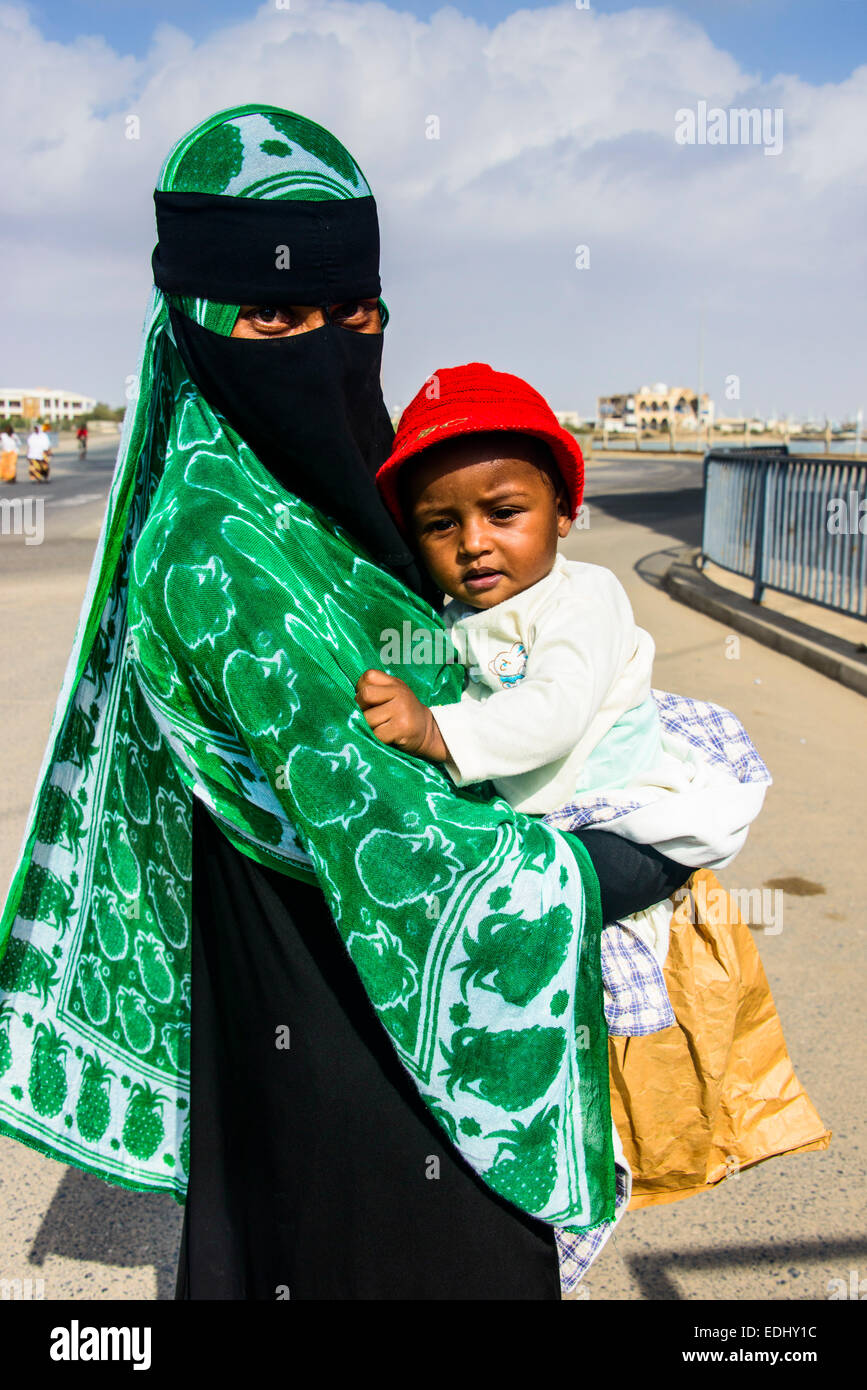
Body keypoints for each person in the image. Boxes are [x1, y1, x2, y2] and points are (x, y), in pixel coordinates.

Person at [0, 105, 829, 1304]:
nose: (327, 347)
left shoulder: (349, 502)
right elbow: (409, 850)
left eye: (356, 315)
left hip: (342, 991)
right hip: (342, 1015)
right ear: (199, 318)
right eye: (277, 317)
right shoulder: (218, 543)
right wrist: (649, 850)